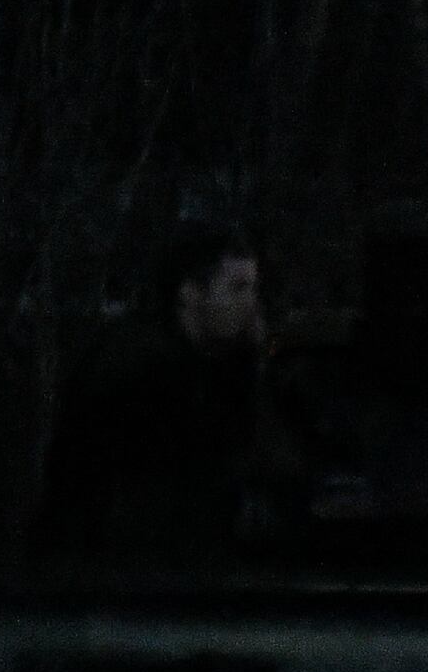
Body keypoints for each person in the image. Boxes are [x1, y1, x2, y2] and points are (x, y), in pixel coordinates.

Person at [31, 208, 282, 569]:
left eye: (253, 289)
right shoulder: (140, 365)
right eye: (237, 289)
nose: (250, 304)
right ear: (192, 292)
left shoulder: (212, 361)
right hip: (111, 565)